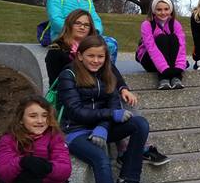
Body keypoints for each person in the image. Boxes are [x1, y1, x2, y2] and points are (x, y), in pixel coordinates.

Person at [45, 9, 170, 166]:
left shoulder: (96, 46)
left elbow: (110, 70)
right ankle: (126, 148)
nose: (82, 27)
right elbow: (58, 84)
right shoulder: (57, 51)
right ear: (69, 25)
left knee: (124, 98)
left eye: (86, 25)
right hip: (76, 100)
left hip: (97, 94)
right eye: (78, 23)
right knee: (112, 103)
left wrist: (123, 88)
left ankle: (137, 148)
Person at [59, 35, 151, 183]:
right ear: (80, 56)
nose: (95, 60)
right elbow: (76, 111)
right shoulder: (68, 75)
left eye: (100, 56)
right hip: (75, 131)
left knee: (140, 124)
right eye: (90, 56)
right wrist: (109, 116)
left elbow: (113, 105)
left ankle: (128, 178)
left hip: (101, 128)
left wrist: (103, 127)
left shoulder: (107, 73)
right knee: (100, 158)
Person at [44, 0, 118, 61]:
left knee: (111, 43)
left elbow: (95, 19)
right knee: (79, 48)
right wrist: (75, 32)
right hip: (64, 36)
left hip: (86, 35)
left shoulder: (87, 0)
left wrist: (94, 33)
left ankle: (105, 70)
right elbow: (55, 19)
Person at [136, 0, 188, 90]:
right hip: (150, 59)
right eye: (159, 10)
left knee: (173, 38)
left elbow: (182, 47)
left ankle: (176, 78)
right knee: (161, 38)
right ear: (153, 11)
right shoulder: (147, 25)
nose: (163, 12)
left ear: (171, 10)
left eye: (166, 9)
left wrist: (179, 69)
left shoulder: (175, 24)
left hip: (171, 62)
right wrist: (165, 70)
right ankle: (163, 79)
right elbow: (152, 49)